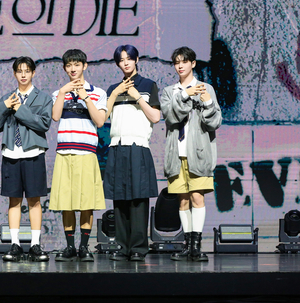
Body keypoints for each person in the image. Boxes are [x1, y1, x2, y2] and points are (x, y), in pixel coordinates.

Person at [161, 46, 222, 262]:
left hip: (198, 153)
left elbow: (214, 122)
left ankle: (197, 247)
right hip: (176, 154)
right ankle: (187, 246)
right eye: (177, 62)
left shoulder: (207, 88)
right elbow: (170, 117)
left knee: (197, 197)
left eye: (184, 61)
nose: (180, 66)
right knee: (183, 201)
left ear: (193, 64)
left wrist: (206, 101)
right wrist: (185, 95)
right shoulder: (170, 91)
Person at [0, 56, 53, 262]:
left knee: (34, 200)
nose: (23, 74)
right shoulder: (7, 97)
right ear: (14, 73)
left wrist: (19, 109)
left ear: (33, 73)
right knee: (13, 200)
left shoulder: (43, 98)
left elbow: (43, 124)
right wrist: (4, 107)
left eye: (27, 71)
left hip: (33, 153)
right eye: (19, 71)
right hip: (11, 154)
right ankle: (14, 244)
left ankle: (35, 245)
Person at [103, 44, 161, 262]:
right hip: (117, 146)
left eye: (129, 58)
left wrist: (137, 96)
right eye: (121, 60)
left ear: (137, 60)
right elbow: (103, 117)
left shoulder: (148, 85)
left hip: (138, 146)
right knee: (120, 199)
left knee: (138, 199)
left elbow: (155, 117)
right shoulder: (112, 88)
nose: (125, 63)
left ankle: (138, 247)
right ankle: (121, 246)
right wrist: (115, 93)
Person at [49, 49, 107, 262]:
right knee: (66, 202)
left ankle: (84, 247)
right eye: (69, 65)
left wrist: (85, 98)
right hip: (64, 152)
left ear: (85, 66)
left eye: (77, 64)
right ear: (65, 68)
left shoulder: (98, 92)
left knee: (86, 202)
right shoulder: (59, 93)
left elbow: (100, 121)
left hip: (86, 153)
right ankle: (70, 247)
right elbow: (55, 117)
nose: (73, 69)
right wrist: (63, 93)